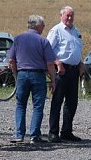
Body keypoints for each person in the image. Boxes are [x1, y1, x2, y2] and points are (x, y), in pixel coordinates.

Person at [7, 15, 57, 144]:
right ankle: (34, 135)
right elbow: (50, 63)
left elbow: (11, 60)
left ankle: (19, 135)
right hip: (38, 75)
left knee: (20, 104)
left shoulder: (17, 39)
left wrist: (15, 74)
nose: (44, 27)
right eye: (43, 25)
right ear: (38, 26)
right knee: (38, 106)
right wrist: (53, 80)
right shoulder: (43, 41)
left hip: (22, 74)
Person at [46, 5, 84, 142]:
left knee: (72, 102)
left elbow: (77, 49)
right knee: (57, 101)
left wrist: (81, 63)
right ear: (61, 16)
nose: (69, 18)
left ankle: (67, 131)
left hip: (74, 71)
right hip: (60, 70)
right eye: (67, 15)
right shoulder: (56, 30)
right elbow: (47, 50)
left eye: (71, 15)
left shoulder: (76, 31)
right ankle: (53, 132)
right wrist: (57, 62)